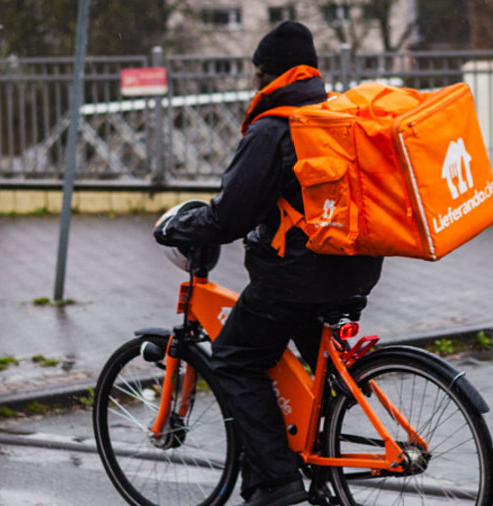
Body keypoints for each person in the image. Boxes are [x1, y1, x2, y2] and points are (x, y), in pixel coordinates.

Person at [154, 21, 383, 506]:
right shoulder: (332, 115)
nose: (254, 84)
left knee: (236, 360)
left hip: (297, 277)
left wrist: (178, 228)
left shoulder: (274, 128)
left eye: (257, 74)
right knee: (317, 379)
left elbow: (230, 216)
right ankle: (319, 478)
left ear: (269, 75)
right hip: (353, 266)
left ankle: (278, 483)